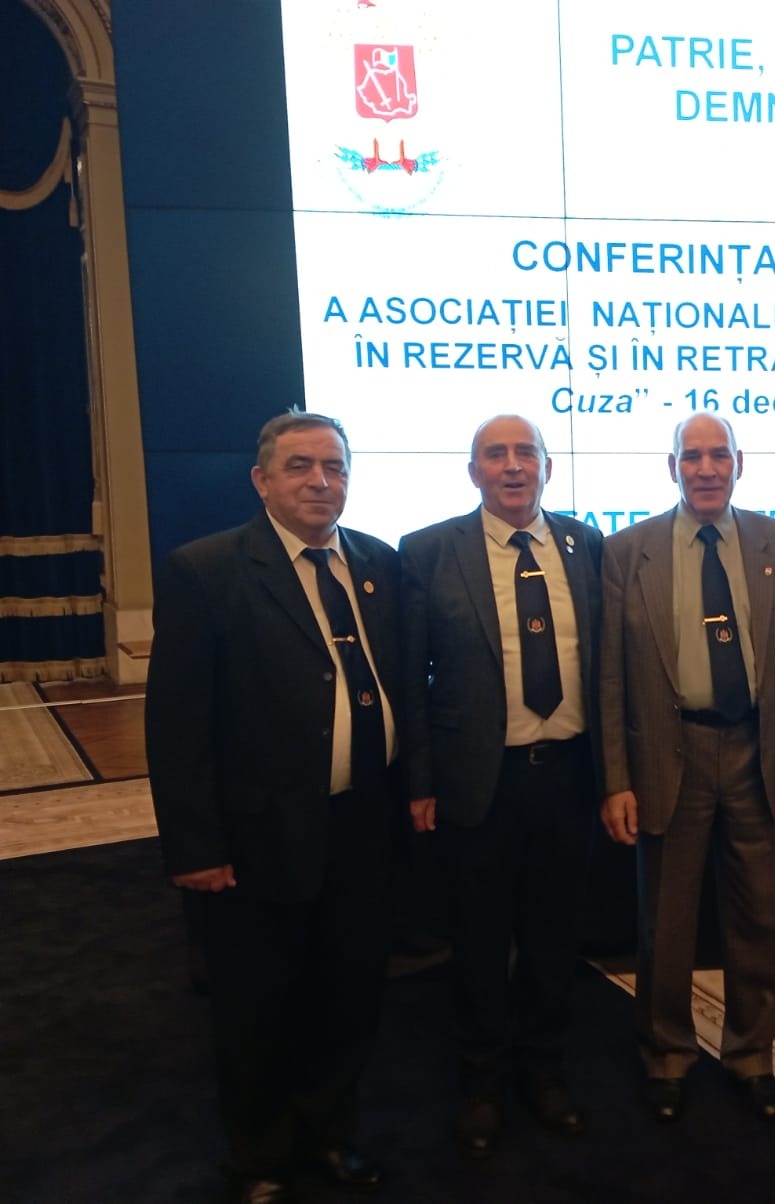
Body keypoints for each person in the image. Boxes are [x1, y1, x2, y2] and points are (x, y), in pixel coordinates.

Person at [146, 411, 399, 1202]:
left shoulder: (378, 564)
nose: (320, 481)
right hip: (258, 838)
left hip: (363, 826)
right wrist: (196, 847)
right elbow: (177, 726)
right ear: (262, 481)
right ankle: (259, 1157)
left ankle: (330, 1133)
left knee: (349, 994)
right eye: (300, 466)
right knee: (258, 1006)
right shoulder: (206, 571)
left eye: (334, 466)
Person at [598, 413, 775, 1122]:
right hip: (671, 754)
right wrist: (615, 779)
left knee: (760, 916)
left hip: (759, 751)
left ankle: (752, 1056)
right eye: (691, 457)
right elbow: (611, 678)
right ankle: (667, 1055)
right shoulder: (626, 551)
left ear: (738, 463)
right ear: (672, 468)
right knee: (666, 922)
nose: (705, 468)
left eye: (717, 455)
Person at [397, 415, 603, 1158]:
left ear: (547, 467)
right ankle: (481, 1080)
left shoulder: (585, 544)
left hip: (569, 779)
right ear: (474, 471)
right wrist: (420, 779)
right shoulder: (428, 550)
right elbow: (410, 680)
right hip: (479, 783)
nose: (513, 466)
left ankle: (543, 1069)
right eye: (496, 454)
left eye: (526, 453)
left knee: (553, 939)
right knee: (480, 943)